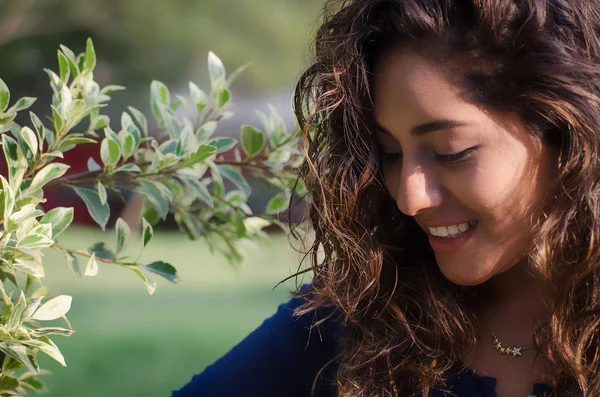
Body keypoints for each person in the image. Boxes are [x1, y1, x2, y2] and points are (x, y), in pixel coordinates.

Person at [172, 0, 600, 395]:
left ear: (567, 131)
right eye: (391, 154)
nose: (409, 198)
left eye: (451, 152)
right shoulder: (369, 305)